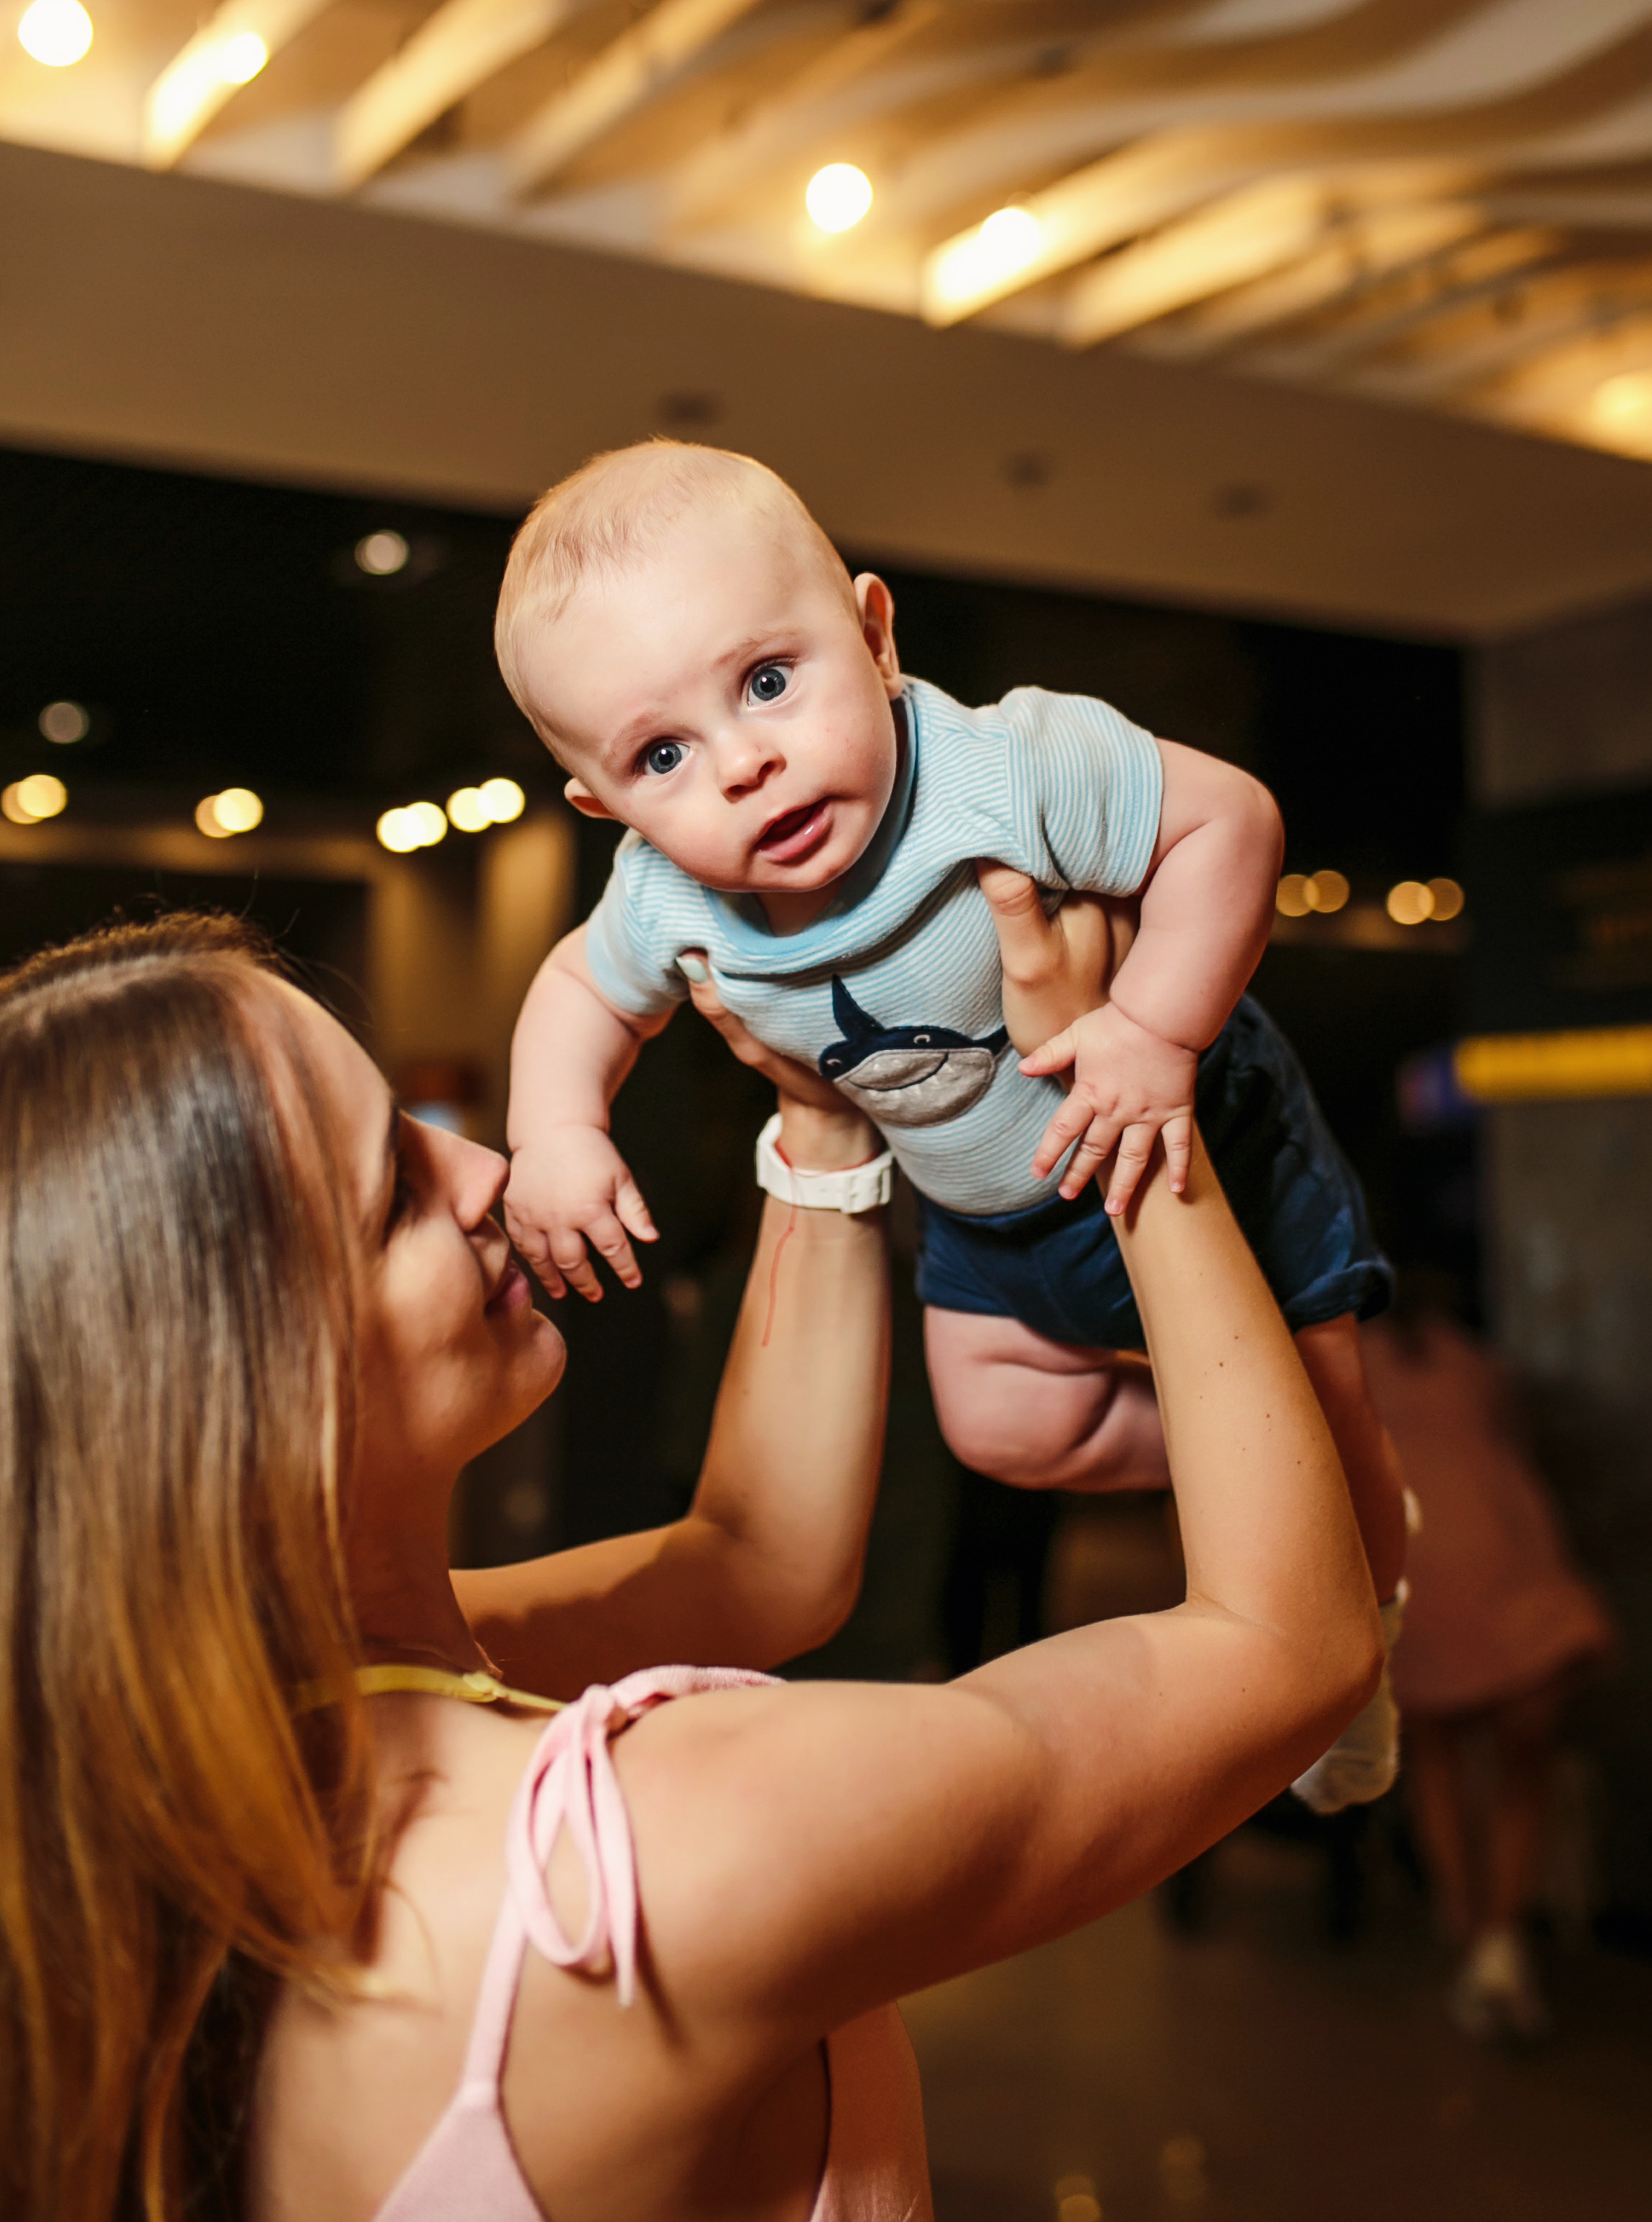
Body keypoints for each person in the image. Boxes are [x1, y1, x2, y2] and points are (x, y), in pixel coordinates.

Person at [0, 886, 1379, 2222]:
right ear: (243, 1395)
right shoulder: (638, 1866)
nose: (483, 1170)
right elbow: (1283, 1647)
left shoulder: (207, 1745)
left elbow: (757, 1564)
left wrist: (820, 1116)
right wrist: (1119, 1087)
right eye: (393, 1189)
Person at [495, 439, 1406, 1804]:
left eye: (767, 680)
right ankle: (1259, 1458)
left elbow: (1229, 822)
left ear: (873, 634)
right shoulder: (663, 896)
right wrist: (557, 1128)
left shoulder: (1002, 767)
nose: (744, 763)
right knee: (1001, 1428)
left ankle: (1360, 1624)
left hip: (1183, 1135)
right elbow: (581, 989)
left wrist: (1152, 1032)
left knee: (1329, 1408)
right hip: (990, 1214)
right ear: (603, 805)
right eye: (661, 755)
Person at [1361, 1296, 1614, 2042]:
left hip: (1418, 1566)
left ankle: (1473, 1940)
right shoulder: (1477, 1364)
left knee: (1437, 1760)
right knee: (1522, 1765)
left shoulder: (1346, 1360)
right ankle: (1500, 1944)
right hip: (1510, 1567)